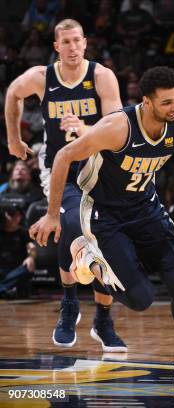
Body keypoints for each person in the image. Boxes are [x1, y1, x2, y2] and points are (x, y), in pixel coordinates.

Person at [29, 66, 174, 375]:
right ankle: (87, 260)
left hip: (145, 208)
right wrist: (53, 214)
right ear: (147, 102)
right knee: (140, 300)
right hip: (104, 212)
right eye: (166, 102)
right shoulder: (117, 127)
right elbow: (63, 157)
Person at [4, 19, 127, 352]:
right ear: (56, 47)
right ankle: (70, 303)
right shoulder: (41, 78)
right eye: (66, 42)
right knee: (72, 224)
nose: (73, 47)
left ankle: (103, 319)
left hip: (98, 168)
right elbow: (13, 93)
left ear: (85, 43)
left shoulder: (102, 76)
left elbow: (116, 126)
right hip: (59, 170)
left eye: (77, 41)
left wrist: (86, 127)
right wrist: (14, 139)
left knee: (104, 241)